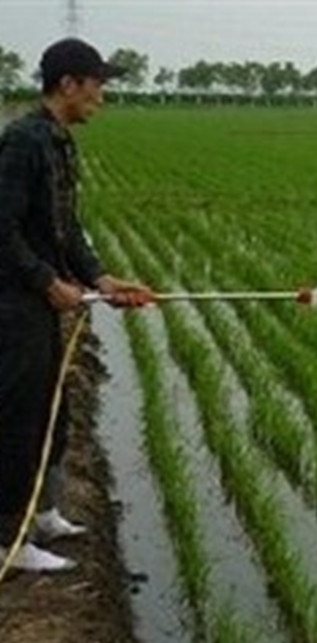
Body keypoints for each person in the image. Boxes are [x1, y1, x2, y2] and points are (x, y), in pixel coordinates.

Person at [0, 38, 155, 572]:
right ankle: (8, 542)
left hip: (35, 300)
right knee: (17, 420)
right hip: (12, 304)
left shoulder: (59, 142)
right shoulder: (23, 142)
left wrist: (99, 277)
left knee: (53, 411)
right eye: (97, 85)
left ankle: (40, 513)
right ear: (69, 84)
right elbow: (3, 226)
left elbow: (65, 229)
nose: (102, 97)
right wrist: (46, 282)